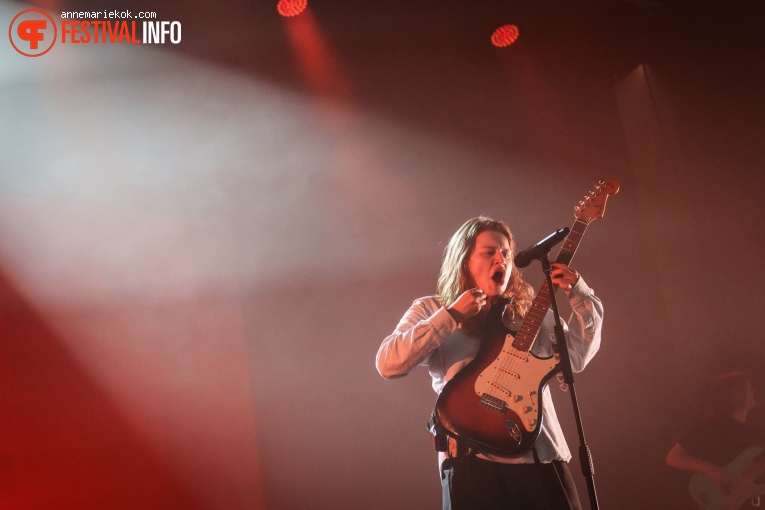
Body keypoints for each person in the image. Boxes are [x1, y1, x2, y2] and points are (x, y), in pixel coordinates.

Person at [375, 216, 604, 510]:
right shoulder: (432, 308)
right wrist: (451, 316)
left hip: (540, 457)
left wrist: (580, 293)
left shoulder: (531, 315)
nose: (502, 260)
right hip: (472, 464)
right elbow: (388, 363)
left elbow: (576, 357)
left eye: (507, 253)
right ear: (464, 259)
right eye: (489, 252)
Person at [666, 371, 763, 510]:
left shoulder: (756, 432)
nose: (754, 390)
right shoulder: (707, 428)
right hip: (716, 500)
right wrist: (707, 467)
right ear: (736, 395)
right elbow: (673, 457)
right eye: (748, 387)